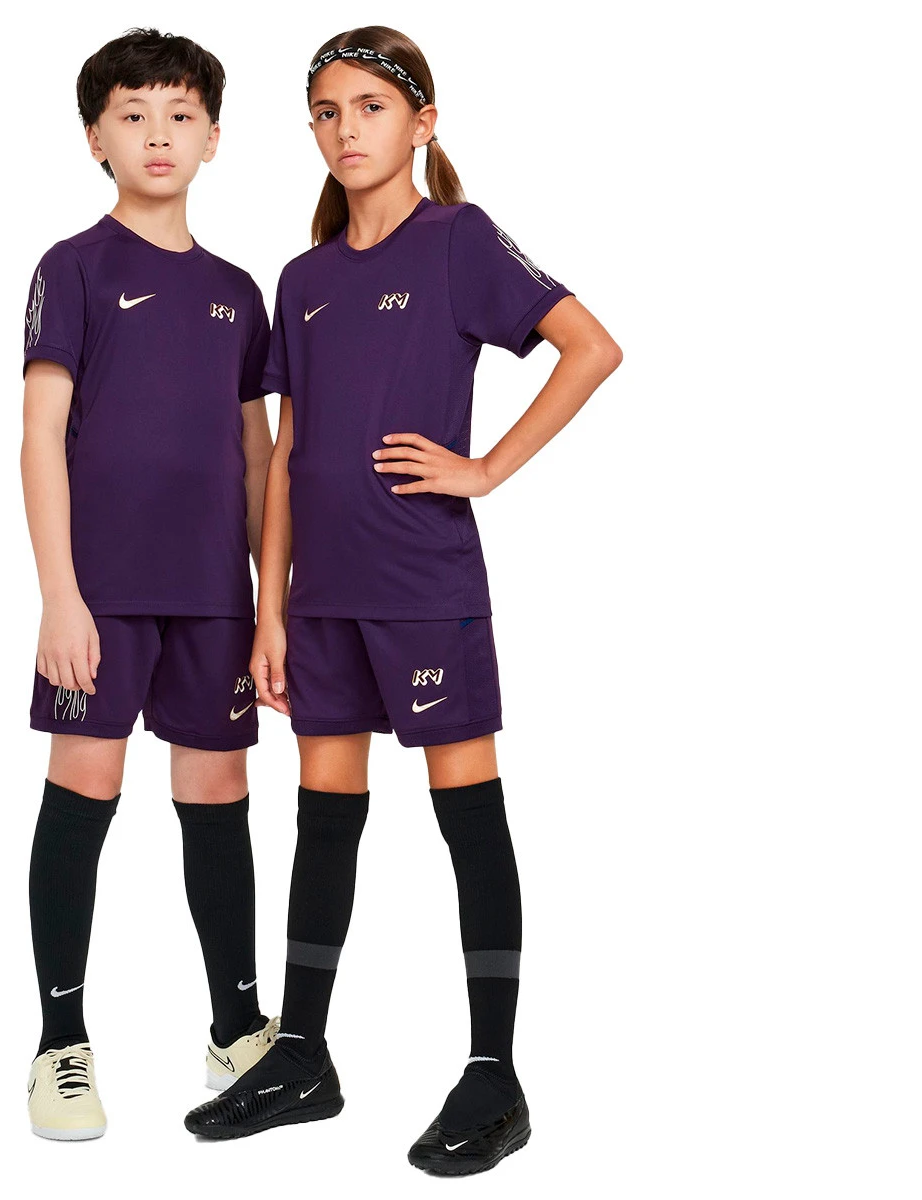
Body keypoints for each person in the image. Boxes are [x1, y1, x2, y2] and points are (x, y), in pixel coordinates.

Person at [183, 26, 622, 1176]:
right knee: (323, 816)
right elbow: (286, 456)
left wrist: (485, 469)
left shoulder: (458, 240)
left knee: (466, 813)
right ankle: (304, 1056)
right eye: (327, 111)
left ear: (421, 123)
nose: (346, 129)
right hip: (321, 602)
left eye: (370, 107)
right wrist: (269, 611)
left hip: (424, 586)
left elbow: (589, 347)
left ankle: (494, 1074)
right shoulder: (305, 280)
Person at [20, 28, 278, 1141]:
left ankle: (238, 1027)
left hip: (215, 592)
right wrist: (60, 595)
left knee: (218, 793)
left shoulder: (238, 293)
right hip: (104, 591)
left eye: (180, 116)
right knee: (86, 782)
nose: (157, 135)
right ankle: (60, 1044)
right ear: (97, 138)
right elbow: (39, 436)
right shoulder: (73, 267)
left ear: (213, 138)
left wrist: (270, 606)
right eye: (133, 116)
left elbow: (258, 459)